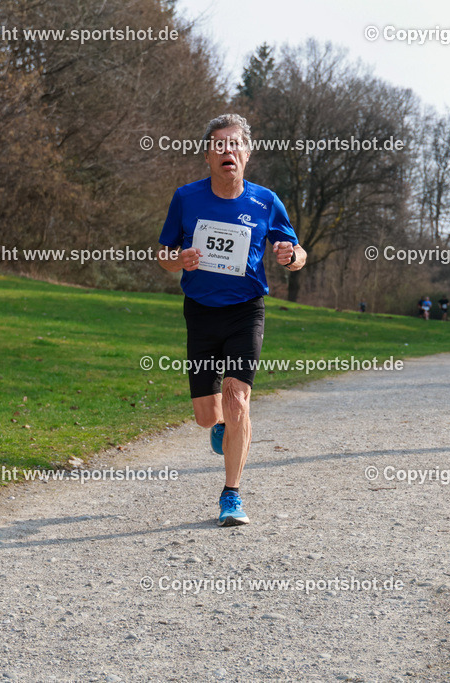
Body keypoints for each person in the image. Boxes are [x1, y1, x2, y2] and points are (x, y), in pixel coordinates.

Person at [158, 113, 307, 526]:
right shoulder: (186, 198)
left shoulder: (265, 201)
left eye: (235, 143)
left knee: (238, 397)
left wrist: (291, 257)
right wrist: (178, 260)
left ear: (247, 154)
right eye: (219, 144)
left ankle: (231, 495)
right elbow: (163, 254)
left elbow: (297, 252)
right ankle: (220, 427)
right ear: (208, 155)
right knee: (208, 415)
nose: (228, 150)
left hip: (246, 311)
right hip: (201, 312)